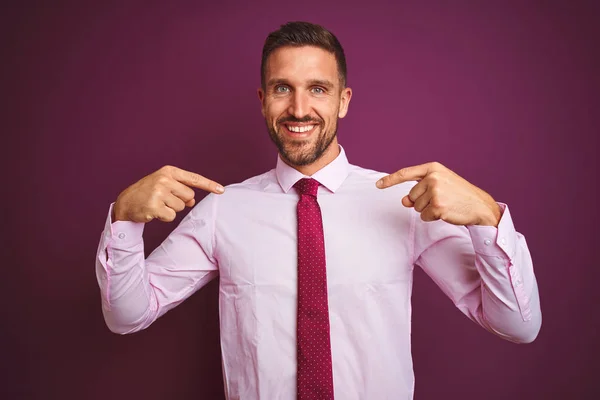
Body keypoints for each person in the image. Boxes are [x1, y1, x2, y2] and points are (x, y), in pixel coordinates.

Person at [95, 21, 541, 400]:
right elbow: (128, 315)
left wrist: (487, 215)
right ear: (263, 99)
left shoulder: (402, 203)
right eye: (282, 88)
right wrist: (125, 220)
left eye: (318, 89)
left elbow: (518, 326)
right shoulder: (223, 210)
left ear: (343, 100)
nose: (299, 108)